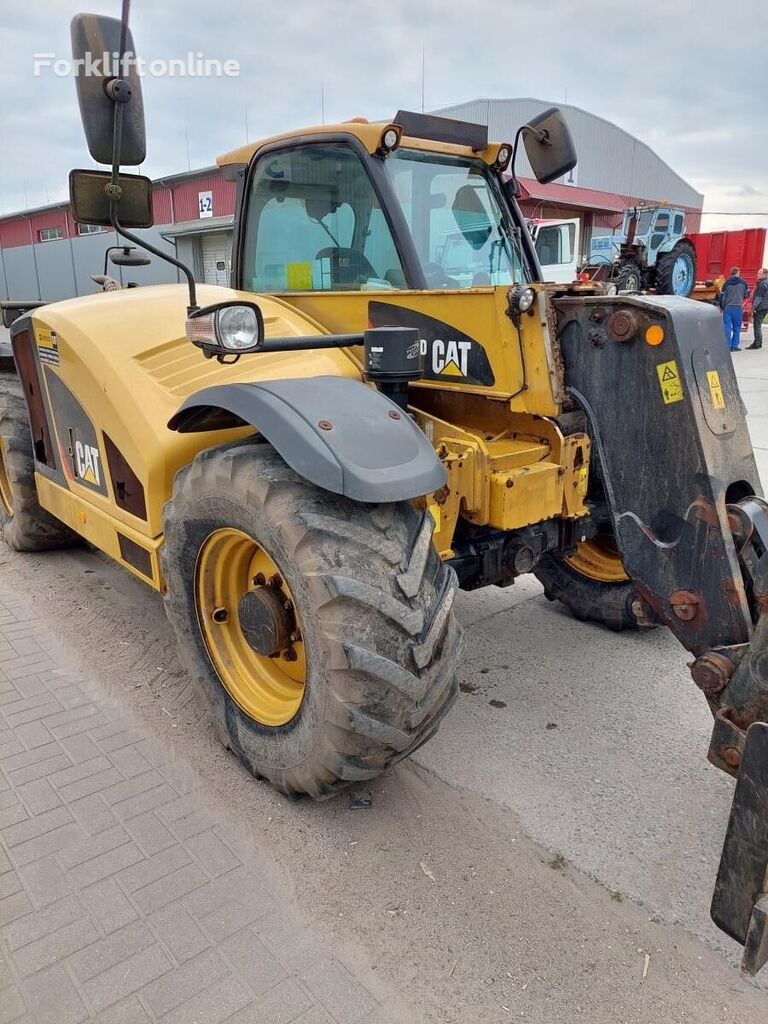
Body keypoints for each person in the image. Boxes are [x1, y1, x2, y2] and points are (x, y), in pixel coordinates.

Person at [719, 266, 750, 352]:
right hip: (738, 308)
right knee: (737, 327)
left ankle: (727, 346)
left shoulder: (726, 283)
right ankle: (734, 346)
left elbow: (722, 297)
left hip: (728, 308)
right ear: (738, 273)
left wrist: (722, 307)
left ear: (731, 273)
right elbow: (747, 295)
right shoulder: (744, 283)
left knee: (727, 327)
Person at [747, 268, 768, 350]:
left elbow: (758, 298)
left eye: (759, 273)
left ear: (765, 274)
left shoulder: (762, 284)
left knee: (757, 326)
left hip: (760, 308)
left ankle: (757, 344)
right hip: (765, 307)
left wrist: (752, 309)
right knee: (758, 325)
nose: (757, 275)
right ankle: (759, 342)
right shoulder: (765, 283)